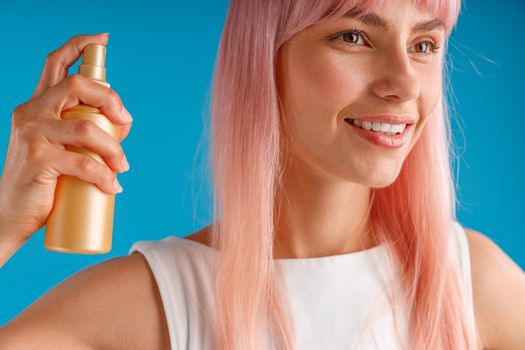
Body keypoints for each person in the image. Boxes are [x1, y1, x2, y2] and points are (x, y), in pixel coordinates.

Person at [0, 0, 524, 349]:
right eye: (354, 37)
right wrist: (5, 222)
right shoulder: (155, 301)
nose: (405, 84)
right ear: (264, 60)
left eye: (424, 45)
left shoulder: (470, 283)